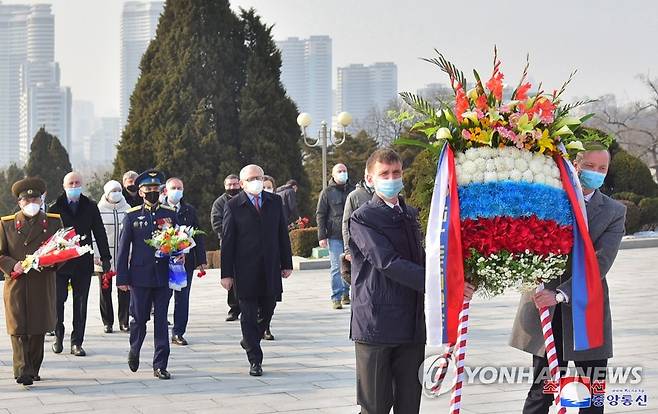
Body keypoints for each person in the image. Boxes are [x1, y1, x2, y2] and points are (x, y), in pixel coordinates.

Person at [349, 149, 475, 414]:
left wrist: (458, 274)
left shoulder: (412, 215)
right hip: (377, 324)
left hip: (411, 324)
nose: (391, 178)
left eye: (396, 173)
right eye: (384, 173)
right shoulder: (363, 218)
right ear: (369, 178)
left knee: (409, 405)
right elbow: (387, 262)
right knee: (375, 407)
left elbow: (429, 257)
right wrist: (443, 285)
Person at [510, 147, 626, 414]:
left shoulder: (613, 212)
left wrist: (562, 294)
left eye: (602, 169)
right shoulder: (549, 199)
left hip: (587, 310)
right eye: (589, 165)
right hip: (547, 312)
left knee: (592, 394)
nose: (595, 173)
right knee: (543, 392)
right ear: (575, 164)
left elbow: (600, 263)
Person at [220, 164, 293, 376]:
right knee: (248, 316)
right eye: (252, 178)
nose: (257, 181)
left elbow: (282, 234)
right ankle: (255, 358)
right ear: (242, 184)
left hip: (270, 266)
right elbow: (228, 242)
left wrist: (286, 263)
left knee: (269, 308)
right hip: (245, 270)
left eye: (259, 177)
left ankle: (250, 338)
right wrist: (226, 274)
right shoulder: (234, 205)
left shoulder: (275, 201)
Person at [116, 169, 179, 380]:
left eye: (155, 188)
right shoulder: (132, 216)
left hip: (163, 276)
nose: (152, 192)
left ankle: (160, 364)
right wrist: (122, 278)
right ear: (141, 192)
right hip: (140, 276)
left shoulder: (170, 214)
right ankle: (134, 349)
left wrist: (180, 256)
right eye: (148, 189)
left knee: (161, 320)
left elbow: (179, 244)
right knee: (139, 319)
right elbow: (123, 249)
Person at [0, 178, 63, 386]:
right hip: (16, 283)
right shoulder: (6, 223)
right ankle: (21, 370)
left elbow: (62, 251)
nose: (31, 203)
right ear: (19, 203)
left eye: (35, 198)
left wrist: (50, 261)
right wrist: (12, 265)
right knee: (18, 328)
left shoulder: (53, 222)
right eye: (27, 200)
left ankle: (33, 368)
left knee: (38, 328)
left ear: (42, 200)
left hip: (42, 282)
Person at [48, 171, 111, 357]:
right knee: (58, 301)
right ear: (64, 186)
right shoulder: (55, 207)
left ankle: (77, 342)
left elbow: (99, 232)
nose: (74, 186)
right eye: (71, 183)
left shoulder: (90, 206)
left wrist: (106, 258)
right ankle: (58, 336)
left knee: (80, 303)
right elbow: (49, 238)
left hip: (83, 263)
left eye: (77, 183)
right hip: (60, 263)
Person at [163, 177, 206, 346]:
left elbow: (197, 236)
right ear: (166, 191)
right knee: (163, 298)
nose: (176, 191)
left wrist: (201, 259)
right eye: (173, 188)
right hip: (164, 263)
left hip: (184, 263)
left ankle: (178, 332)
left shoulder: (189, 210)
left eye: (179, 188)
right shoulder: (160, 210)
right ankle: (160, 330)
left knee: (182, 298)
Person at [316, 163, 354, 309]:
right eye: (339, 171)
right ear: (333, 174)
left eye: (344, 170)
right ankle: (336, 296)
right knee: (337, 267)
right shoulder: (327, 192)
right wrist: (322, 236)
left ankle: (346, 293)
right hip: (335, 235)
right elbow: (320, 214)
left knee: (351, 265)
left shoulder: (353, 190)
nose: (342, 173)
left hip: (352, 235)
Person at [96, 180, 131, 333]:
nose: (116, 193)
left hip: (123, 256)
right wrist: (97, 255)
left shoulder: (128, 209)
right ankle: (107, 322)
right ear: (106, 192)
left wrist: (131, 252)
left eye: (118, 189)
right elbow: (94, 234)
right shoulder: (99, 209)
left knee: (124, 289)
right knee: (105, 289)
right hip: (104, 257)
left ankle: (124, 321)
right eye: (113, 190)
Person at [210, 174, 241, 321]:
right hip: (229, 244)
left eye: (235, 184)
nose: (232, 187)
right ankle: (234, 308)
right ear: (224, 186)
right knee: (231, 275)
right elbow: (216, 223)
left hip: (247, 244)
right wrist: (230, 235)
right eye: (229, 185)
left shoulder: (245, 199)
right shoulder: (219, 203)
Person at [341, 169, 374, 263]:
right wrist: (347, 250)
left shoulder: (388, 195)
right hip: (361, 247)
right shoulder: (354, 196)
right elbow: (347, 223)